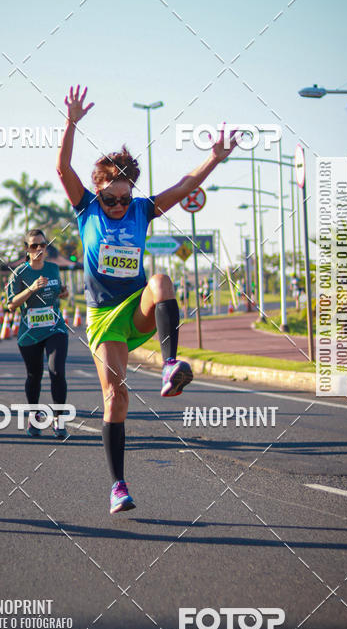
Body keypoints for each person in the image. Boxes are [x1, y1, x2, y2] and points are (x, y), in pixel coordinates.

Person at [56, 86, 238, 514]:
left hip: (135, 305)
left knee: (160, 280)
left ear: (132, 192)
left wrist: (214, 157)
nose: (118, 205)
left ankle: (170, 363)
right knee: (115, 397)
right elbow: (62, 168)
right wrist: (71, 123)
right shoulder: (86, 210)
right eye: (110, 198)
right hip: (103, 317)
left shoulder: (142, 210)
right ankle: (117, 484)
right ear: (98, 192)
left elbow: (184, 185)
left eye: (124, 197)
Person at [6, 229, 70, 439]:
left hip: (55, 328)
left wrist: (63, 292)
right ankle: (34, 418)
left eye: (42, 245)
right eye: (34, 246)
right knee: (34, 376)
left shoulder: (53, 268)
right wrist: (31, 289)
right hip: (30, 333)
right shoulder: (20, 273)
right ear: (27, 249)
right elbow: (11, 305)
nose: (39, 249)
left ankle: (59, 421)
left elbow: (57, 291)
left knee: (56, 371)